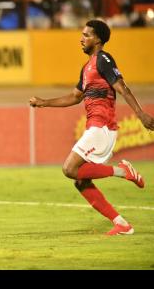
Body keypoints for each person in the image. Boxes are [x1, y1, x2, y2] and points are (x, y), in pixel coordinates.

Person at [29, 19, 154, 236]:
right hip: (96, 127)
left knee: (69, 168)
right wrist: (44, 102)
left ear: (98, 39)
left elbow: (123, 88)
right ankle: (122, 223)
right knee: (80, 180)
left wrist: (141, 114)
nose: (81, 38)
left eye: (86, 35)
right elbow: (75, 96)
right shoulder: (87, 67)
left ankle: (122, 171)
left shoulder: (104, 59)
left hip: (102, 126)